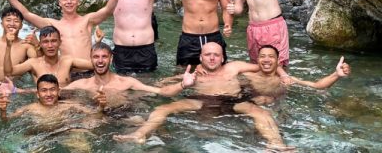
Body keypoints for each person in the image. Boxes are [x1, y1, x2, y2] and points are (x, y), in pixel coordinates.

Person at [112, 42, 278, 146]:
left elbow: (266, 65)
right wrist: (181, 82)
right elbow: (163, 85)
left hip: (233, 101)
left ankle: (275, 144)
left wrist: (283, 76)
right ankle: (138, 134)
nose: (212, 58)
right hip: (200, 101)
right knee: (163, 108)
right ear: (200, 57)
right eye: (208, 55)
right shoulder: (194, 74)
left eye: (216, 55)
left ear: (222, 58)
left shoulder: (234, 67)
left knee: (260, 112)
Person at [0, 42, 196, 106]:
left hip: (123, 115)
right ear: (91, 59)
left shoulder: (126, 82)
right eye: (96, 57)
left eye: (104, 57)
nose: (100, 61)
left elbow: (162, 92)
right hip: (95, 116)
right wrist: (16, 91)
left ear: (111, 58)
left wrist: (182, 85)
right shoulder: (82, 85)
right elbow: (51, 91)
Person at [0, 0, 123, 80]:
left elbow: (107, 10)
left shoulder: (87, 21)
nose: (69, 2)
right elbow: (26, 14)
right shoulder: (52, 24)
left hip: (91, 71)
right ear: (60, 3)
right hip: (68, 73)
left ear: (78, 2)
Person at [4, 26, 94, 86]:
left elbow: (95, 65)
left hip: (68, 104)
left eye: (54, 41)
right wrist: (8, 47)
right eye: (46, 42)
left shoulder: (68, 61)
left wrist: (97, 44)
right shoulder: (33, 63)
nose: (50, 46)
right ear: (40, 44)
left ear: (60, 42)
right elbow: (9, 72)